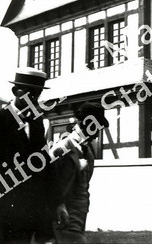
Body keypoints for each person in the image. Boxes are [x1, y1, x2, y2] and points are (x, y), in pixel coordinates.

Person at [0, 67, 68, 243]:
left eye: (37, 95)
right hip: (1, 215)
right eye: (30, 94)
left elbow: (46, 166)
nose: (34, 100)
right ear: (16, 91)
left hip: (32, 215)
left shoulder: (36, 123)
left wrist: (58, 203)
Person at [51, 101, 109, 244]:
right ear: (85, 124)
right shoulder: (61, 149)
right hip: (63, 219)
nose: (97, 133)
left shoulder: (89, 152)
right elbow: (50, 184)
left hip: (80, 218)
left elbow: (84, 184)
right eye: (96, 127)